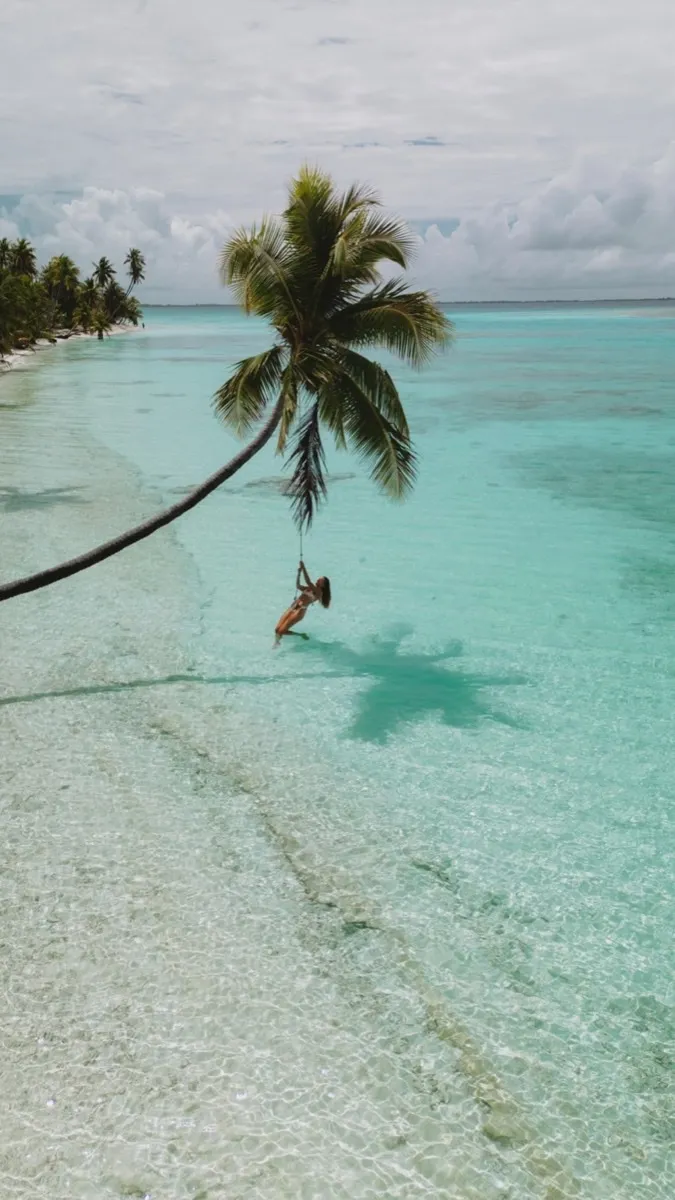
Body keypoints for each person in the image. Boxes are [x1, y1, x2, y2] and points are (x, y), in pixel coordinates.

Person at [274, 561, 331, 645]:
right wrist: (299, 573)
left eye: (320, 580)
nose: (318, 580)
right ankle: (277, 642)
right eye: (319, 579)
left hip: (300, 611)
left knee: (281, 631)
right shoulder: (309, 588)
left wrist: (304, 567)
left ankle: (300, 635)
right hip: (293, 607)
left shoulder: (319, 592)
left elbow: (308, 581)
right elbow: (298, 586)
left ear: (323, 585)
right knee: (277, 630)